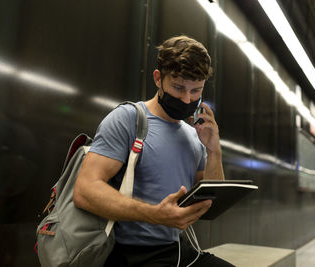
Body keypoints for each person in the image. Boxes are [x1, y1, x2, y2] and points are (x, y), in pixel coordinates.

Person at [73, 35, 233, 266]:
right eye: (178, 88)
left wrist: (214, 151)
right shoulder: (128, 120)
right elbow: (85, 191)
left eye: (196, 91)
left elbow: (211, 204)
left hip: (178, 250)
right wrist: (154, 214)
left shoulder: (193, 135)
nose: (187, 98)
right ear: (158, 79)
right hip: (130, 254)